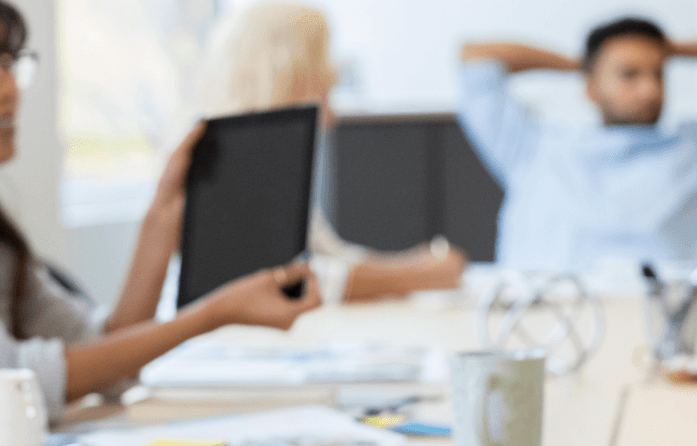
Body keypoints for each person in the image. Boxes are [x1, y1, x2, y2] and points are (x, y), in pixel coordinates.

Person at [0, 0, 321, 446]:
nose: (7, 89)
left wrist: (161, 221)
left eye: (9, 62)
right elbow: (12, 376)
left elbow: (107, 353)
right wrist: (212, 315)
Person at [193, 2, 467, 302]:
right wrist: (419, 275)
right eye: (322, 58)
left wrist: (415, 263)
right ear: (292, 71)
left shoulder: (273, 158)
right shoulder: (235, 160)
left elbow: (329, 254)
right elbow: (302, 280)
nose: (333, 74)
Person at [461, 17, 697, 271]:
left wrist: (668, 49)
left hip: (664, 305)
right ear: (590, 87)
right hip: (548, 304)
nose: (650, 90)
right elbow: (477, 56)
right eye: (630, 74)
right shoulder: (534, 147)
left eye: (658, 73)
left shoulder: (688, 148)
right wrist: (581, 63)